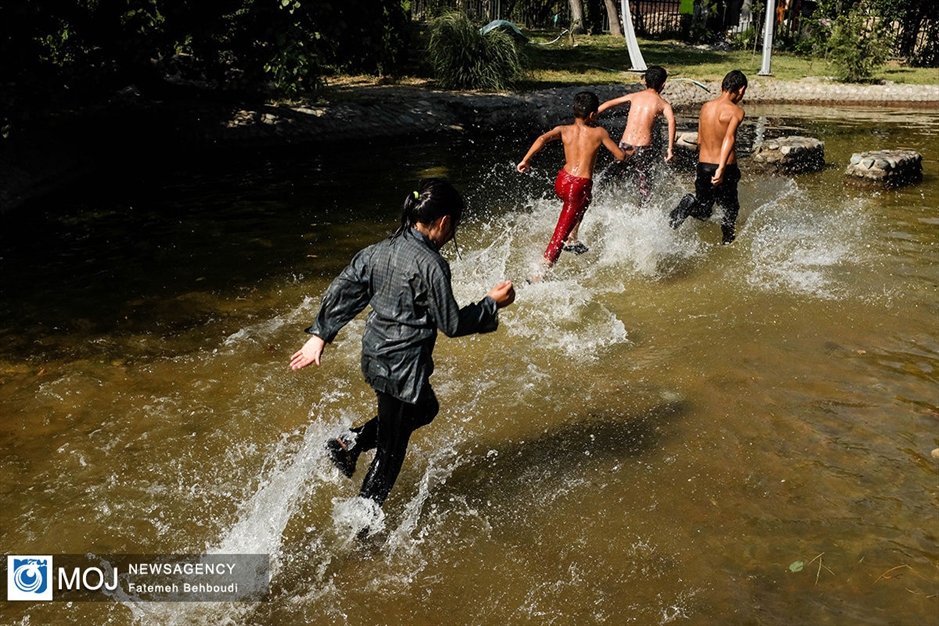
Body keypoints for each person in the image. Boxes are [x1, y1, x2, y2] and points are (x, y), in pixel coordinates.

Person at [289, 179, 516, 507]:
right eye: (454, 227)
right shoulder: (432, 265)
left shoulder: (380, 250)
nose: (452, 236)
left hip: (375, 356)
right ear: (443, 222)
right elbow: (450, 324)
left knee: (427, 408)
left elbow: (345, 287)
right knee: (390, 456)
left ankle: (348, 444)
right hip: (401, 370)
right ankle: (362, 532)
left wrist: (320, 335)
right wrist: (491, 304)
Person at [517, 91, 626, 274]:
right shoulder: (599, 133)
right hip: (578, 186)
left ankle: (573, 239)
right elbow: (620, 156)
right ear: (592, 115)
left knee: (586, 201)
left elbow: (542, 138)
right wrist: (627, 153)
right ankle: (540, 274)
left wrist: (526, 159)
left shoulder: (563, 130)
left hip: (562, 181)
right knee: (560, 232)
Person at [668, 70, 748, 245]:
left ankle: (688, 203)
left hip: (703, 165)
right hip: (725, 168)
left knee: (704, 210)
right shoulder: (736, 112)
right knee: (730, 208)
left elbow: (699, 140)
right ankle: (727, 242)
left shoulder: (706, 107)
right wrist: (720, 168)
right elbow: (729, 138)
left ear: (721, 86)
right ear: (741, 89)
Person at [597, 65, 676, 206]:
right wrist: (670, 149)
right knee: (644, 183)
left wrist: (591, 116)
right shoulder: (663, 104)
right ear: (663, 85)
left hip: (625, 146)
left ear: (645, 81)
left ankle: (598, 201)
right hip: (644, 148)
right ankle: (644, 209)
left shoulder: (634, 96)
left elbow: (609, 103)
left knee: (610, 176)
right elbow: (671, 122)